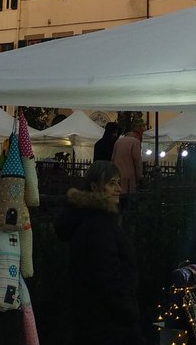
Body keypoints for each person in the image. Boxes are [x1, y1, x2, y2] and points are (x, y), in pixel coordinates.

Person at [55, 160, 145, 345]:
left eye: (118, 183)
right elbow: (107, 275)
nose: (118, 189)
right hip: (107, 322)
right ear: (95, 186)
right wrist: (128, 309)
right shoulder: (99, 224)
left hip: (94, 318)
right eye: (112, 183)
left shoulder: (90, 219)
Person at [112, 126, 144, 195]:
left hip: (117, 175)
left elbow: (113, 158)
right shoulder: (135, 142)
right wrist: (139, 177)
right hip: (129, 177)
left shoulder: (118, 141)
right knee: (128, 199)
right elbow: (137, 161)